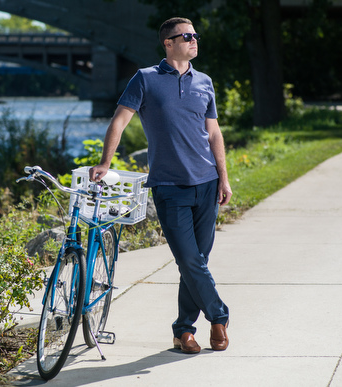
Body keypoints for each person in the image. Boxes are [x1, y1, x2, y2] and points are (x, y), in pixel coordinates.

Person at [89, 17, 231, 354]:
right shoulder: (146, 79)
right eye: (186, 36)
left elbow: (213, 132)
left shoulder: (205, 82)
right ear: (168, 43)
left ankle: (183, 331)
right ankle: (220, 316)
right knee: (190, 260)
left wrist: (223, 177)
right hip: (169, 186)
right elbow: (119, 121)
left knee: (195, 262)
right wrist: (106, 162)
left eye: (195, 35)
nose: (193, 40)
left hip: (207, 183)